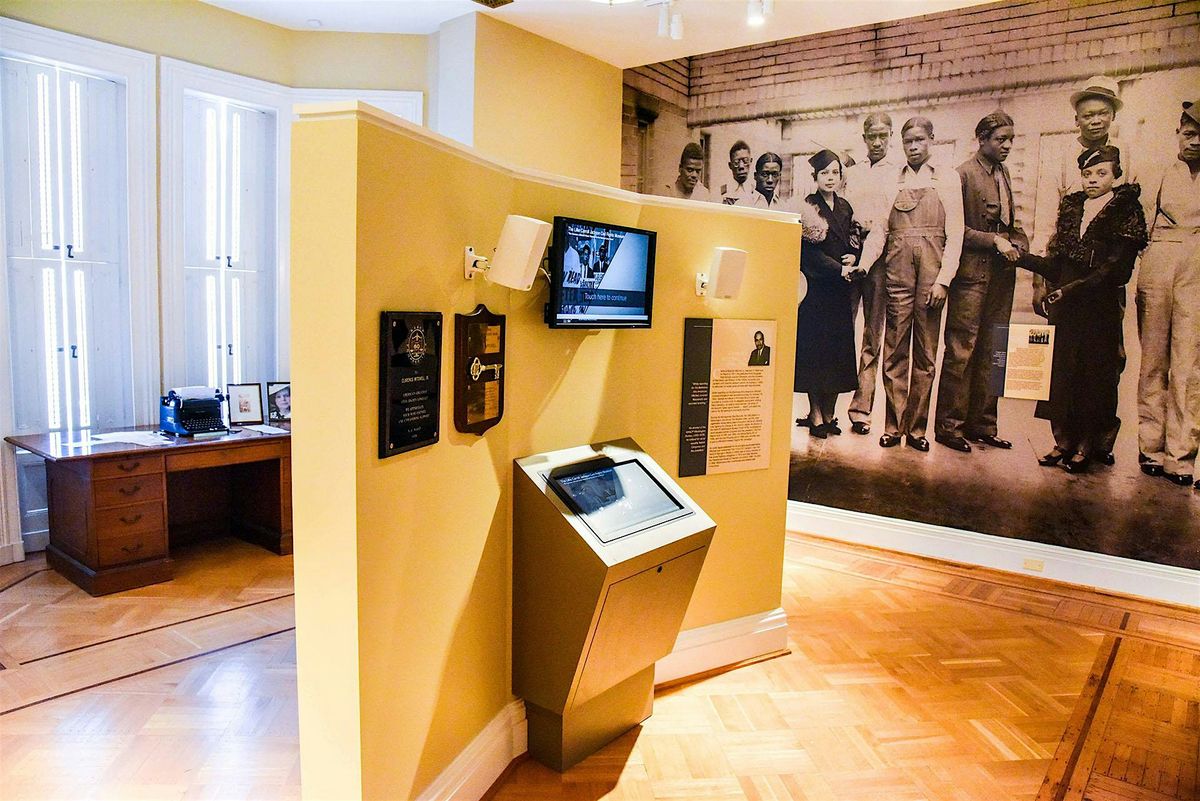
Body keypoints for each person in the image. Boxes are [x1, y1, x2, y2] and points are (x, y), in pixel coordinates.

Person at [1017, 146, 1147, 474]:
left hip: (1099, 305)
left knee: (1094, 375)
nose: (1092, 180)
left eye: (1101, 173)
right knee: (1061, 372)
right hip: (1066, 307)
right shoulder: (1073, 207)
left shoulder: (1125, 210)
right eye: (1087, 174)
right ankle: (1063, 441)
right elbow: (1057, 264)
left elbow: (1116, 270)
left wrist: (1070, 290)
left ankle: (1087, 444)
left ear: (1116, 176)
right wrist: (1021, 258)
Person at [1032, 75, 1137, 464]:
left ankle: (1097, 441)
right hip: (1066, 276)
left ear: (1112, 116)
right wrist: (1041, 279)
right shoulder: (1061, 157)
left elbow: (1129, 219)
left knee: (1105, 361)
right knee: (1062, 359)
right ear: (1076, 118)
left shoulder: (1127, 154)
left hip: (1104, 281)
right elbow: (1047, 216)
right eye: (1088, 114)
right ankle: (1063, 437)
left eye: (1102, 113)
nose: (1095, 120)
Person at [857, 117, 965, 451]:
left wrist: (943, 280)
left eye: (920, 140)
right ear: (901, 144)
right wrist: (864, 264)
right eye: (908, 142)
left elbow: (956, 234)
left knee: (926, 353)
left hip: (932, 274)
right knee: (894, 349)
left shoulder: (946, 178)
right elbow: (880, 229)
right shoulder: (893, 178)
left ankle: (917, 430)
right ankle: (893, 426)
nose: (914, 147)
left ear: (932, 139)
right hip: (897, 271)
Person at [934, 111, 1029, 453]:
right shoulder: (962, 175)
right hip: (972, 275)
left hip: (1002, 276)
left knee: (996, 349)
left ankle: (983, 425)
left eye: (1011, 140)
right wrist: (994, 241)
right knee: (963, 348)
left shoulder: (1004, 173)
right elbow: (955, 230)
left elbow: (1011, 224)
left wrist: (1019, 243)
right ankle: (949, 427)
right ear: (982, 140)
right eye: (1001, 139)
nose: (1007, 146)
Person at [1136, 100, 1200, 487]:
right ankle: (1151, 448)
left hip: (1198, 266)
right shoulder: (1158, 171)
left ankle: (1181, 454)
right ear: (1178, 134)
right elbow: (1139, 225)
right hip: (1160, 257)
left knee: (1189, 363)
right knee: (1153, 360)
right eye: (1189, 134)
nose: (1195, 142)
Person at [794, 150, 861, 438]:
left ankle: (830, 413)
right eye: (824, 173)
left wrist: (853, 256)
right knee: (816, 352)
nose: (830, 178)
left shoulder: (845, 207)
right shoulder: (808, 206)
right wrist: (838, 268)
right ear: (815, 177)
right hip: (818, 288)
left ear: (841, 176)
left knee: (836, 351)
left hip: (840, 291)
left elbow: (854, 239)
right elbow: (807, 253)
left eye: (835, 172)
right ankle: (816, 414)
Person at [842, 112, 900, 436]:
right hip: (850, 252)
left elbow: (886, 224)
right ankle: (825, 408)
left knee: (872, 335)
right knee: (840, 328)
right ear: (864, 138)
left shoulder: (898, 173)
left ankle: (861, 410)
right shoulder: (852, 173)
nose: (877, 142)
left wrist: (869, 257)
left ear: (890, 136)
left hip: (881, 259)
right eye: (871, 136)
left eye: (883, 136)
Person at [720, 141, 757, 206]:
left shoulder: (756, 193)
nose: (741, 166)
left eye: (745, 161)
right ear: (730, 165)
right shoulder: (720, 192)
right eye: (736, 162)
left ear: (751, 161)